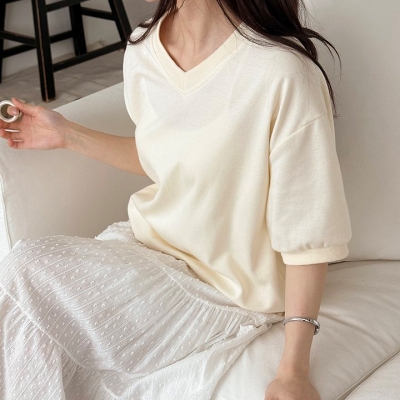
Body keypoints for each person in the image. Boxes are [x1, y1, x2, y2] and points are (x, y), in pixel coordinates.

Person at [0, 0, 352, 399]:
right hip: (145, 249)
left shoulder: (282, 73)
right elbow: (163, 157)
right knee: (24, 273)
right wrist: (66, 134)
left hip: (225, 290)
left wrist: (292, 372)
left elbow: (308, 235)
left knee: (27, 281)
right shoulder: (143, 46)